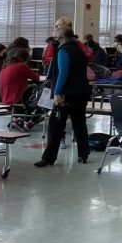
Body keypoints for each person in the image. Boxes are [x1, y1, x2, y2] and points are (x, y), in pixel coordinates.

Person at [35, 26, 92, 167]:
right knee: (79, 125)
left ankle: (48, 158)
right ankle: (83, 154)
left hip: (66, 95)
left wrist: (57, 93)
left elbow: (63, 73)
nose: (54, 41)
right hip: (82, 93)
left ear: (62, 38)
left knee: (55, 126)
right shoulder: (79, 50)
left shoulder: (63, 51)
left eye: (55, 38)